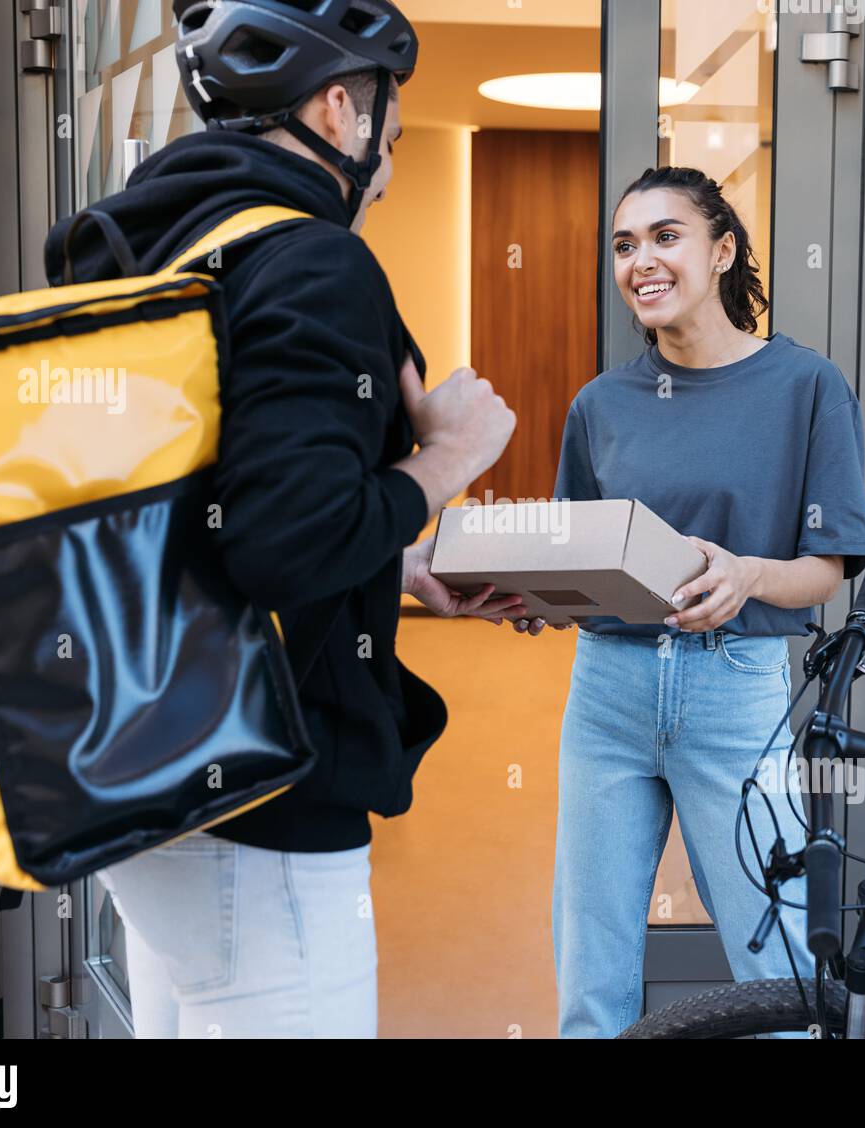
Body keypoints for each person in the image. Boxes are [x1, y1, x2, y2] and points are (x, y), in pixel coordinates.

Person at [43, 0, 520, 1037]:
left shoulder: (149, 240)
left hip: (136, 749)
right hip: (262, 792)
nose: (387, 169)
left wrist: (393, 563)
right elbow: (280, 542)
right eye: (389, 136)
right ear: (340, 108)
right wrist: (449, 459)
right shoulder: (312, 258)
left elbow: (193, 508)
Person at [517, 165, 865, 1038]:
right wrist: (531, 593)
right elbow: (582, 561)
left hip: (735, 693)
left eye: (665, 236)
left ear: (722, 250)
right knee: (591, 975)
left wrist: (749, 575)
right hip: (607, 692)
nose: (641, 259)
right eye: (624, 244)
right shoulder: (600, 405)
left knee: (778, 966)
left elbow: (830, 569)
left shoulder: (805, 387)